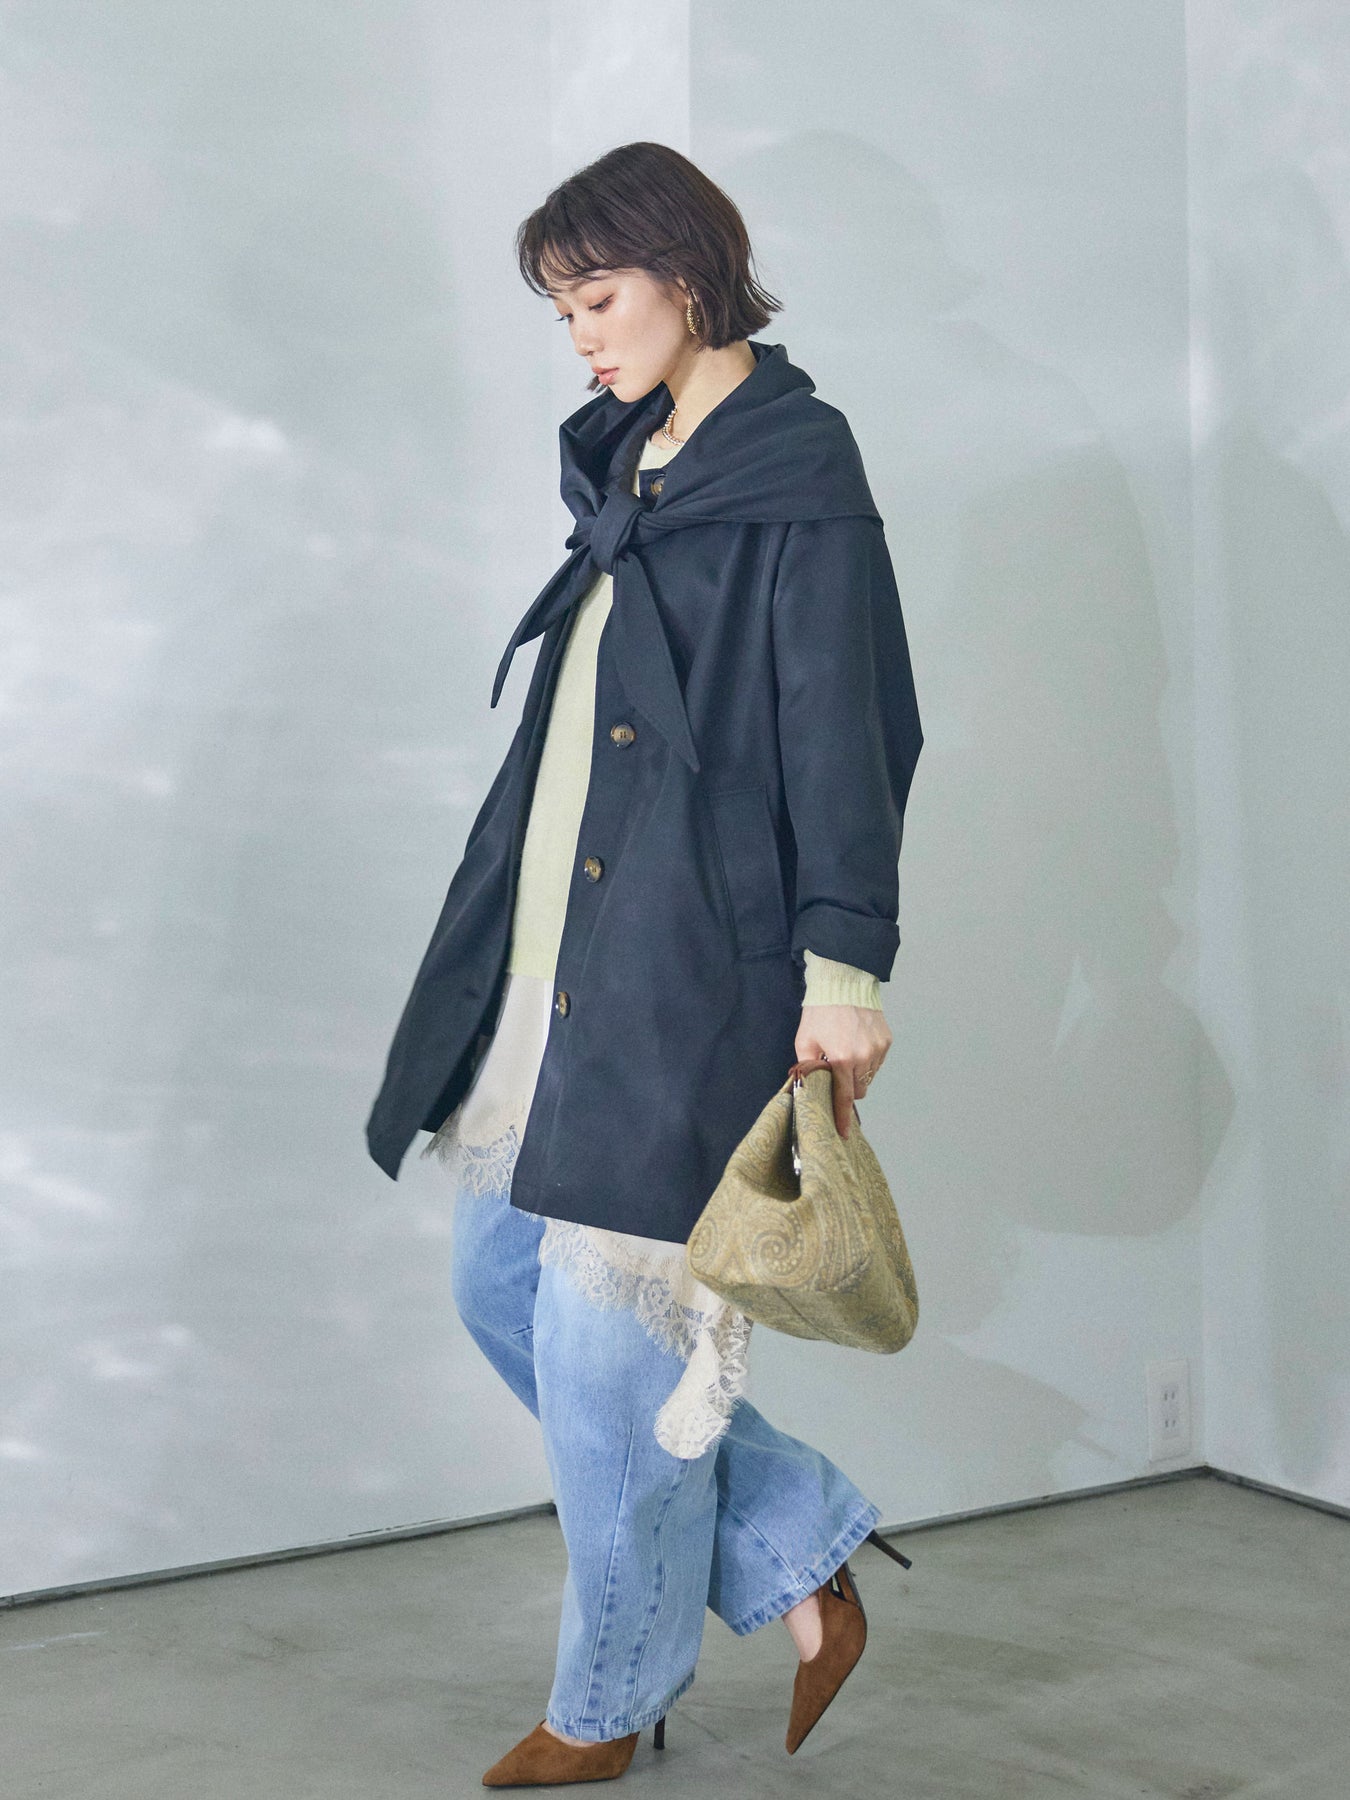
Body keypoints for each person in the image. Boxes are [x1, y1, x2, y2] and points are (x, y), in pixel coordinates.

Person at [364, 141, 923, 1785]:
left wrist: (844, 975)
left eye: (598, 297)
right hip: (549, 957)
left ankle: (603, 1707)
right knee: (499, 1290)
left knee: (610, 1356)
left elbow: (851, 734)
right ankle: (798, 1544)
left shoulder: (795, 469)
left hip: (685, 968)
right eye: (562, 310)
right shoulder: (633, 466)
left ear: (686, 274)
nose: (581, 335)